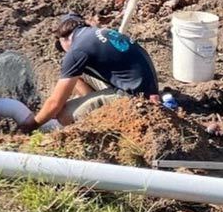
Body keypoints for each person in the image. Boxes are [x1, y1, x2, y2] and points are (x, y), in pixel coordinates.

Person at [19, 12, 159, 133]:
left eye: (61, 47)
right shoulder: (96, 34)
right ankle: (93, 104)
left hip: (136, 98)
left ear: (63, 37)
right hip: (143, 87)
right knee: (77, 75)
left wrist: (32, 124)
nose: (64, 53)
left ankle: (95, 115)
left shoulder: (77, 50)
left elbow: (55, 104)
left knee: (63, 114)